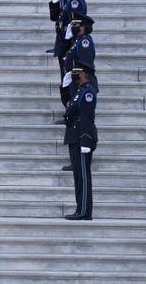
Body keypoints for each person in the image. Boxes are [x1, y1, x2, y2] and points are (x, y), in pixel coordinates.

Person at [63, 60, 98, 220]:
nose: (74, 74)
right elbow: (68, 106)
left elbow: (86, 118)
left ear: (84, 73)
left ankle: (84, 211)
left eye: (77, 72)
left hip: (81, 136)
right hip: (73, 135)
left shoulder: (88, 93)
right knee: (78, 175)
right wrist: (65, 86)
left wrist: (85, 141)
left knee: (83, 176)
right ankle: (80, 208)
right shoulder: (79, 90)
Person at [60, 15, 95, 105]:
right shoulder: (78, 40)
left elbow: (85, 62)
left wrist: (79, 77)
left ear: (83, 27)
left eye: (75, 25)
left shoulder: (84, 42)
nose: (73, 27)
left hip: (80, 78)